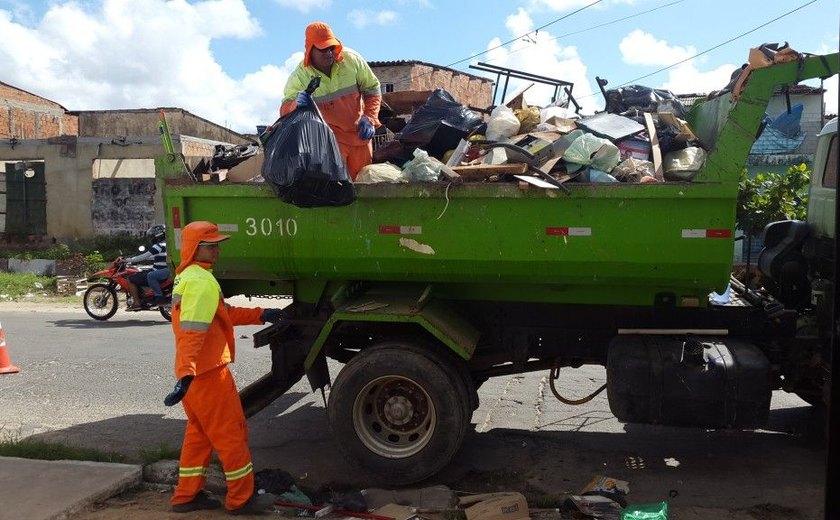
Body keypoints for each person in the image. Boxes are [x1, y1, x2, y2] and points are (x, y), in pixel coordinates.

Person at [163, 220, 284, 515]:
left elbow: (222, 315)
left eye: (217, 244)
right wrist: (188, 372)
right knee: (232, 434)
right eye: (210, 245)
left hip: (194, 377)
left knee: (199, 435)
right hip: (205, 374)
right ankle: (242, 499)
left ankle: (185, 496)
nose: (216, 250)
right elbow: (194, 331)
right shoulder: (202, 282)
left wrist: (260, 314)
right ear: (194, 248)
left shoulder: (189, 276)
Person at [280, 21, 382, 181]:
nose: (329, 52)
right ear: (310, 50)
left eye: (331, 47)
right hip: (329, 141)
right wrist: (295, 104)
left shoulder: (352, 61)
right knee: (337, 188)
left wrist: (370, 117)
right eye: (323, 49)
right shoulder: (300, 76)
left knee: (363, 186)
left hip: (359, 136)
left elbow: (372, 88)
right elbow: (285, 108)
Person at [124, 224, 169, 310]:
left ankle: (137, 303)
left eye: (152, 235)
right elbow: (154, 256)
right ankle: (145, 296)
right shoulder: (166, 245)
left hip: (159, 272)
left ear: (157, 235)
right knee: (143, 273)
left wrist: (127, 260)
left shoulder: (158, 246)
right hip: (164, 270)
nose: (151, 237)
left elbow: (144, 256)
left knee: (131, 279)